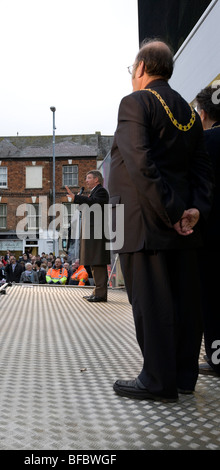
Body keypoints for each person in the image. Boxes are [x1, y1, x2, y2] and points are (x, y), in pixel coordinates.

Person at [108, 39, 214, 402]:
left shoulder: (134, 102)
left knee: (151, 305)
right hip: (184, 224)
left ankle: (157, 380)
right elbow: (202, 170)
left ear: (141, 68)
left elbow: (140, 163)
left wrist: (168, 213)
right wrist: (193, 211)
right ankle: (184, 376)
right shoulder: (187, 110)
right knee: (185, 302)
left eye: (131, 70)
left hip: (143, 223)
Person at [195, 85, 220, 376]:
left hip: (212, 235)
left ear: (203, 113)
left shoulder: (205, 142)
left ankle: (216, 359)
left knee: (212, 300)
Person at [66, 170, 110, 302]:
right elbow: (89, 206)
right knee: (93, 262)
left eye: (89, 178)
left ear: (97, 180)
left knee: (98, 262)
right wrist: (79, 202)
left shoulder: (101, 191)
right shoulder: (94, 192)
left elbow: (94, 203)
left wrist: (78, 198)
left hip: (97, 233)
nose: (86, 180)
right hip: (92, 233)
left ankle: (100, 294)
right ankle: (97, 291)